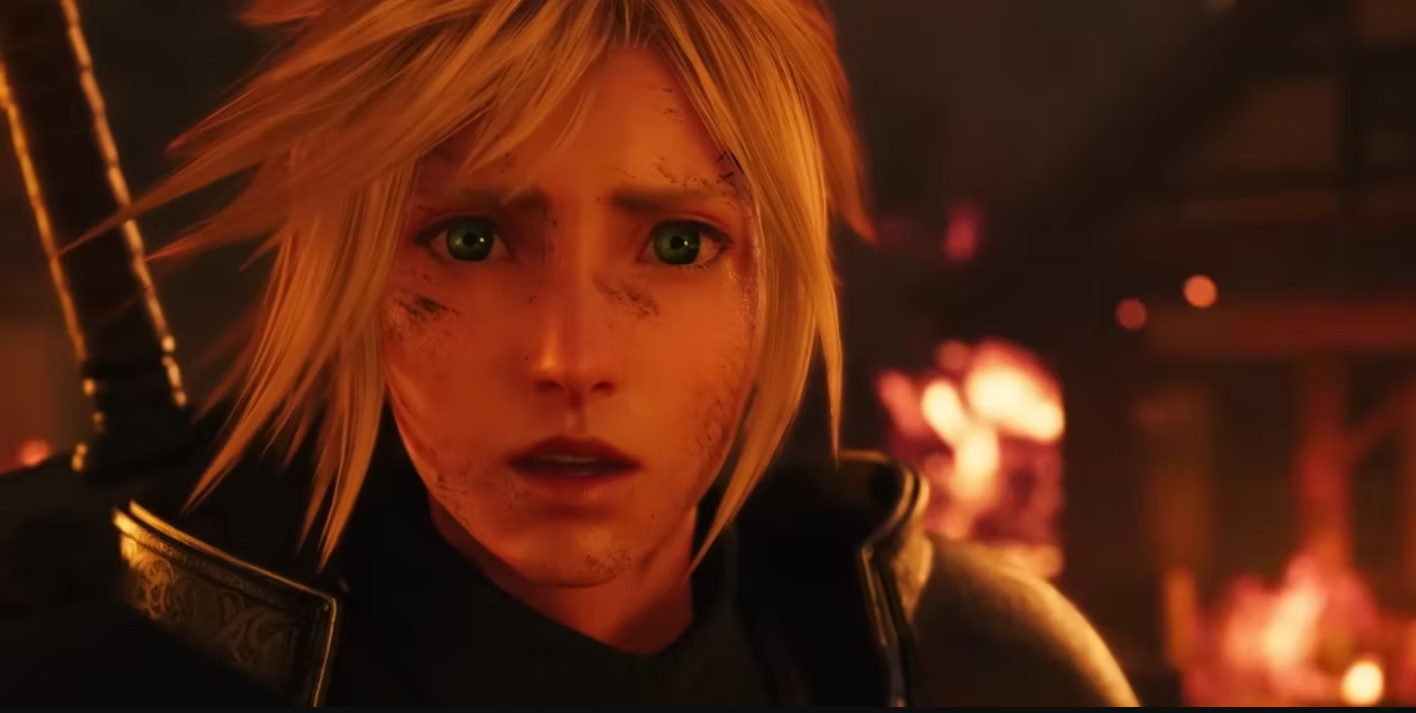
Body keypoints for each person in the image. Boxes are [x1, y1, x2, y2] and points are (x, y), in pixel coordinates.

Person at [0, 0, 1138, 706]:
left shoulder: (982, 672)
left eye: (677, 244)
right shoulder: (104, 673)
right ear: (358, 282)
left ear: (771, 288)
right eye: (473, 239)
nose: (570, 355)